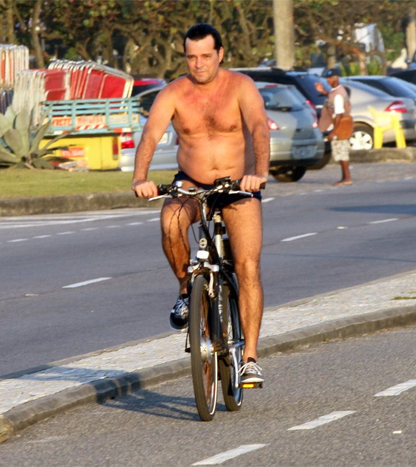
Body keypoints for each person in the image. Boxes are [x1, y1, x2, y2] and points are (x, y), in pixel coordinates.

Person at [131, 23, 269, 384]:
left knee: (247, 266)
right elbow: (150, 134)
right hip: (191, 183)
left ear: (220, 54)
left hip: (238, 185)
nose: (199, 64)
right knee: (170, 222)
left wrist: (260, 173)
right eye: (192, 57)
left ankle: (250, 357)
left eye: (206, 56)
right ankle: (183, 289)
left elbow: (259, 128)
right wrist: (139, 177)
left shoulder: (241, 86)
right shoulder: (174, 93)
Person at [314, 68, 353, 186]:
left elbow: (339, 114)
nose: (327, 80)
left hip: (340, 127)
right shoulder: (336, 91)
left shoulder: (338, 95)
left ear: (335, 79)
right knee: (340, 152)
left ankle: (347, 177)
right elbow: (332, 97)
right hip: (340, 126)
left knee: (342, 152)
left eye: (329, 78)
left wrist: (333, 132)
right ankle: (345, 177)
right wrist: (323, 91)